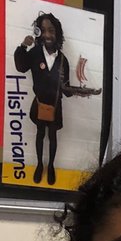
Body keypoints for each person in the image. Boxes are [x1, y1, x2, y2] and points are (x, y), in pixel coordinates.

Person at [13, 13, 100, 186]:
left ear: (57, 33)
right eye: (43, 30)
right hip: (39, 103)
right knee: (39, 134)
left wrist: (83, 91)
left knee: (52, 136)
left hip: (55, 105)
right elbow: (21, 67)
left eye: (51, 30)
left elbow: (65, 89)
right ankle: (39, 165)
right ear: (38, 32)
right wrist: (23, 46)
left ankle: (51, 165)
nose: (47, 35)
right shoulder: (35, 53)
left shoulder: (63, 60)